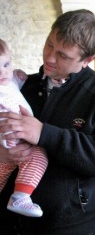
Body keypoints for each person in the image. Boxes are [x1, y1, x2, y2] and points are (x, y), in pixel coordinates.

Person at [0, 9, 95, 234]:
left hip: (74, 228)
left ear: (88, 59)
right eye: (49, 44)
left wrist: (45, 134)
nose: (50, 57)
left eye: (63, 55)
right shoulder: (20, 87)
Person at [0, 39, 48, 218]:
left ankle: (20, 196)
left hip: (17, 140)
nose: (2, 72)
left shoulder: (8, 81)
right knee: (39, 156)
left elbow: (14, 85)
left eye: (6, 64)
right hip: (11, 141)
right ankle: (20, 196)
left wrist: (19, 78)